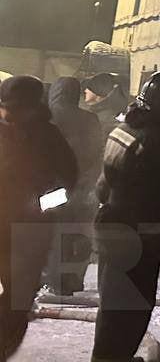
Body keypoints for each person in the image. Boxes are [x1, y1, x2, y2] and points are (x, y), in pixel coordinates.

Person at [91, 68, 160, 362]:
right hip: (135, 243)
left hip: (112, 231)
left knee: (113, 310)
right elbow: (157, 202)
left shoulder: (123, 129)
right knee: (129, 313)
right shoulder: (156, 141)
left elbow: (103, 186)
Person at [0, 75, 78, 361]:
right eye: (6, 107)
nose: (11, 114)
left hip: (30, 233)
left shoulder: (49, 137)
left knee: (17, 300)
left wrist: (41, 206)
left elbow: (68, 183)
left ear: (34, 107)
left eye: (19, 108)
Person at [44, 76, 104, 295]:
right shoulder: (90, 119)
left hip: (52, 191)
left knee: (52, 235)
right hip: (83, 191)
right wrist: (88, 185)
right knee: (79, 236)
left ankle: (54, 281)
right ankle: (74, 281)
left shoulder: (47, 119)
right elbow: (98, 155)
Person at [83, 73, 129, 137]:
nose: (85, 90)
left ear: (99, 93)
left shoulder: (106, 118)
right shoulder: (93, 112)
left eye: (90, 88)